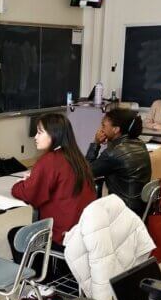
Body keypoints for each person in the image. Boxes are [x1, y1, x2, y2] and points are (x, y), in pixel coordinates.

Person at [9, 114, 96, 278]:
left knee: (15, 234)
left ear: (55, 134)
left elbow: (29, 194)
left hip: (61, 233)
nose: (35, 137)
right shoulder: (77, 157)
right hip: (82, 231)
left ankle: (38, 281)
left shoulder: (50, 160)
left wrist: (20, 184)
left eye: (40, 132)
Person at [86, 108, 152, 216]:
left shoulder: (114, 153)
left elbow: (86, 171)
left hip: (122, 212)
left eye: (103, 126)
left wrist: (96, 143)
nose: (100, 130)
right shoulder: (140, 144)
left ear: (116, 129)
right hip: (139, 209)